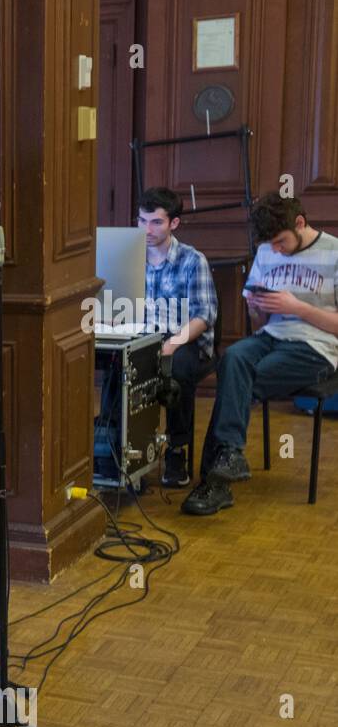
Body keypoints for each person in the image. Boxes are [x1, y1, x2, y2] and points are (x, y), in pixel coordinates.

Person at [182, 193, 338, 515]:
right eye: (271, 245)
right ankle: (229, 457)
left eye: (281, 242)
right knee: (233, 358)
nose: (276, 251)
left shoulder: (334, 254)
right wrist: (256, 309)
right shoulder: (267, 251)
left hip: (316, 347)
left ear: (300, 223)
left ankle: (215, 483)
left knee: (234, 384)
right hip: (271, 335)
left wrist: (297, 308)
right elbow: (259, 322)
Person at [136, 187, 218, 487]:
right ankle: (124, 450)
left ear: (174, 223)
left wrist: (171, 344)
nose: (147, 229)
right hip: (143, 335)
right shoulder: (130, 256)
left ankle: (176, 449)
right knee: (117, 366)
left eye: (156, 222)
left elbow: (204, 315)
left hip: (184, 336)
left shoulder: (192, 260)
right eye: (142, 220)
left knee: (177, 369)